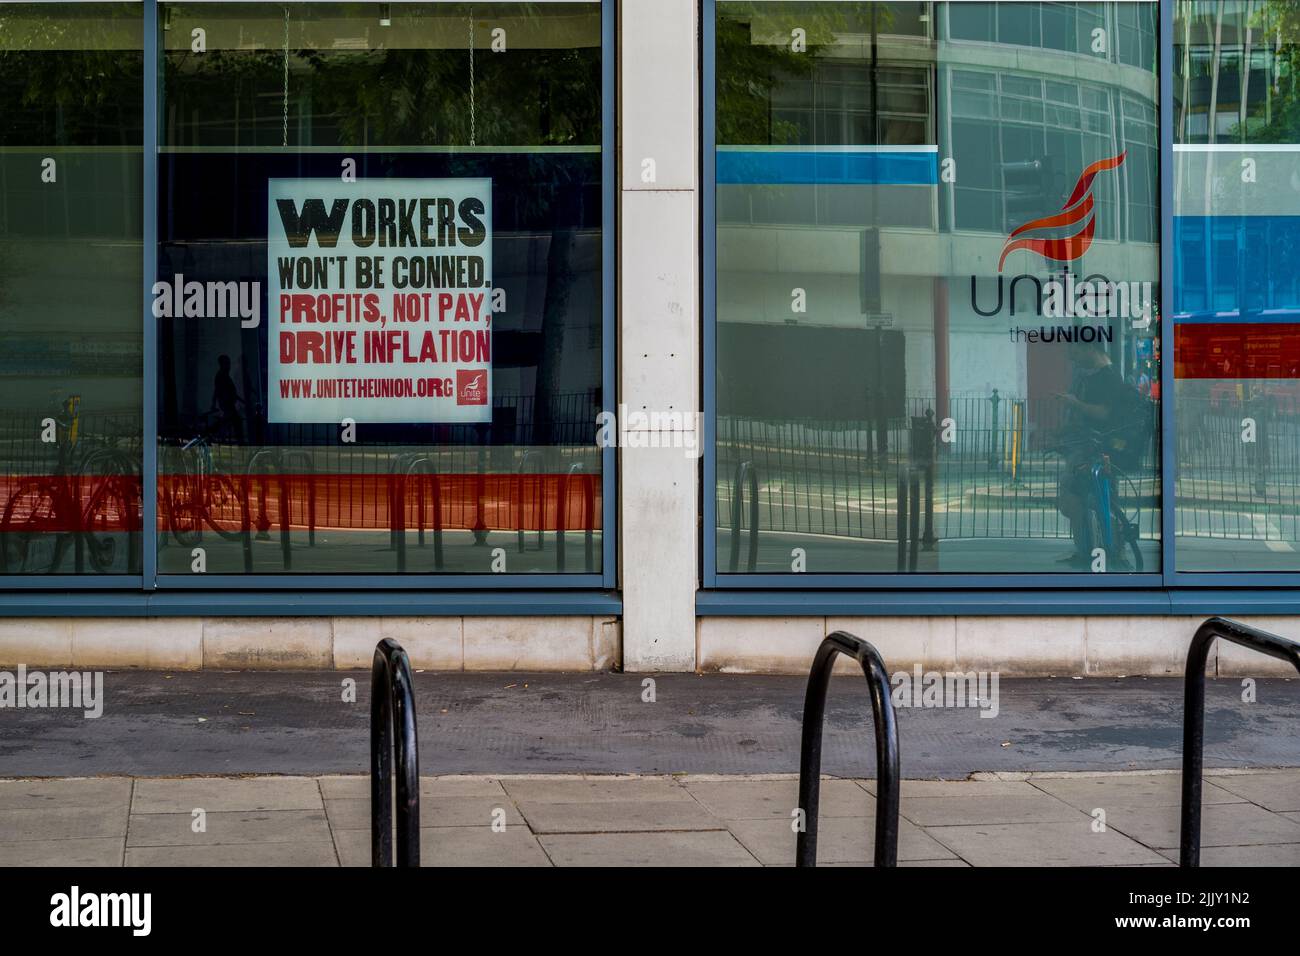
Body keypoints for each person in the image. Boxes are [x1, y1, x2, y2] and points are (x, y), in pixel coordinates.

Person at [1055, 340, 1129, 567]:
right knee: (1081, 500)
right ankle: (1093, 551)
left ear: (1090, 348)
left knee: (1090, 500)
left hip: (1096, 448)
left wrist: (1075, 403)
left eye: (1074, 350)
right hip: (1083, 446)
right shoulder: (1086, 375)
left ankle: (1109, 552)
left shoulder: (1109, 377)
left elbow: (1104, 413)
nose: (1071, 355)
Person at [210, 354, 245, 443]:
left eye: (228, 363)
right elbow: (218, 391)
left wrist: (241, 400)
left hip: (228, 404)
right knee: (233, 422)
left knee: (227, 422)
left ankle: (219, 437)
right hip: (227, 404)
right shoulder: (221, 376)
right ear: (223, 364)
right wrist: (214, 403)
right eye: (227, 363)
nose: (229, 365)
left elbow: (231, 391)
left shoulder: (224, 375)